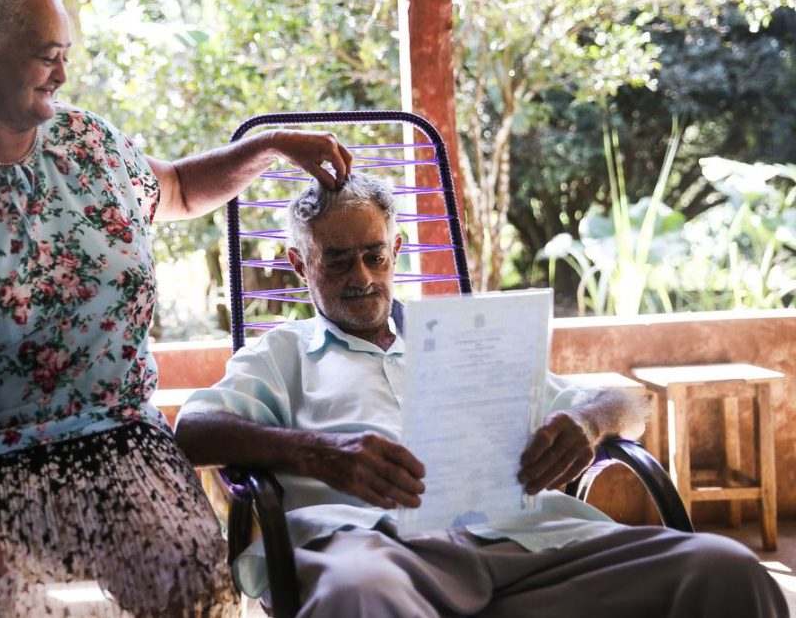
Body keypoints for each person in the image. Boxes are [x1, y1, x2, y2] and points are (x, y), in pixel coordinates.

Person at [0, 0, 352, 618]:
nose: (63, 70)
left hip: (120, 441)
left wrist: (271, 147)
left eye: (65, 53)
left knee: (192, 585)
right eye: (47, 54)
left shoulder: (88, 143)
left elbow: (181, 188)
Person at [174, 173, 787, 617]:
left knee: (724, 569)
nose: (361, 277)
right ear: (299, 263)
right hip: (381, 551)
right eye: (336, 262)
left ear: (395, 253)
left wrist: (588, 422)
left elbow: (631, 406)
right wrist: (319, 453)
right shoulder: (282, 355)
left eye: (374, 255)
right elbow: (194, 432)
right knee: (357, 595)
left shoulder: (467, 338)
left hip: (532, 546)